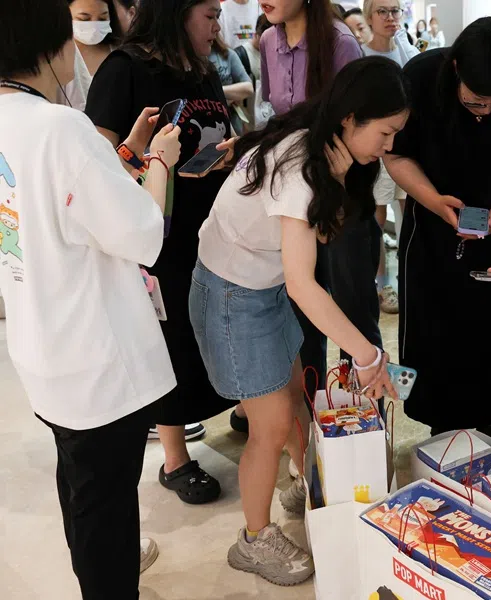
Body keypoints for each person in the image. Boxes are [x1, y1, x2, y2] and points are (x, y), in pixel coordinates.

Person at [191, 55, 404, 586]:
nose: (389, 146)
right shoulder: (300, 169)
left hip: (257, 286)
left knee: (289, 395)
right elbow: (303, 284)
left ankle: (303, 480)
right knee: (265, 426)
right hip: (233, 294)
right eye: (386, 132)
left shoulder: (323, 147)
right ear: (351, 119)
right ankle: (253, 539)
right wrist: (367, 353)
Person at [0, 0, 185, 594]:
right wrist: (160, 160)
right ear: (50, 46)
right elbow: (143, 233)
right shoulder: (59, 126)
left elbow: (57, 206)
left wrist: (124, 156)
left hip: (42, 346)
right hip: (95, 361)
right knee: (103, 503)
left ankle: (96, 567)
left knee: (80, 487)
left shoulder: (16, 123)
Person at [85, 0, 236, 506]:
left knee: (212, 327)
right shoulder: (124, 69)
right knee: (168, 341)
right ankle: (175, 459)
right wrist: (151, 163)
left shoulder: (202, 72)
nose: (217, 26)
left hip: (211, 229)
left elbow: (223, 132)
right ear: (177, 11)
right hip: (156, 238)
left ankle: (233, 406)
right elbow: (98, 164)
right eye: (210, 14)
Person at [383, 17, 491, 438]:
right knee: (437, 336)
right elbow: (396, 155)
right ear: (457, 68)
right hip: (433, 232)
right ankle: (442, 435)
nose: (485, 114)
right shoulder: (422, 78)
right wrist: (432, 200)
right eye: (476, 103)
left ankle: (490, 428)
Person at [252, 0, 379, 447]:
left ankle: (366, 422)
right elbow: (277, 119)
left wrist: (338, 186)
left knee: (351, 307)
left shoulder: (340, 42)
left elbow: (359, 131)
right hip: (296, 194)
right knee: (303, 311)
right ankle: (314, 429)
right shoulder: (268, 39)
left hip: (341, 193)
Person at [363, 0, 417, 315]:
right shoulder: (360, 52)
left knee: (409, 210)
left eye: (395, 11)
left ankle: (408, 276)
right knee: (377, 218)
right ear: (370, 16)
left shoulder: (404, 46)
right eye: (382, 11)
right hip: (377, 145)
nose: (390, 17)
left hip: (406, 141)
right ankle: (383, 284)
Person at [65, 0, 125, 110]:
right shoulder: (57, 56)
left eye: (102, 19)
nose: (94, 26)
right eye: (84, 19)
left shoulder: (121, 54)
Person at [235, 14, 275, 131]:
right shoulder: (241, 55)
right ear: (257, 34)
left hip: (269, 121)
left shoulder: (275, 53)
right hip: (248, 124)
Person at [211, 35, 254, 135]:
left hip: (232, 118)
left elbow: (248, 88)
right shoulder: (189, 59)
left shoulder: (226, 54)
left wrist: (217, 92)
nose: (217, 28)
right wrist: (228, 96)